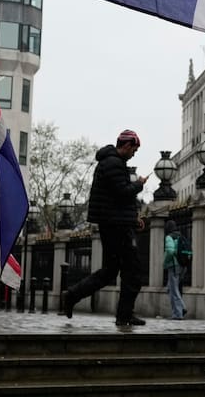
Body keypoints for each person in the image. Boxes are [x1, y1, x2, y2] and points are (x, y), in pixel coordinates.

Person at [62, 129, 149, 326]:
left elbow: (115, 201)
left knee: (111, 271)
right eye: (133, 150)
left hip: (114, 224)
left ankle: (72, 296)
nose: (134, 154)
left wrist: (133, 219)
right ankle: (124, 315)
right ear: (126, 146)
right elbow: (122, 192)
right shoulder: (114, 164)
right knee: (133, 272)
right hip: (116, 228)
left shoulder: (111, 163)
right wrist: (139, 185)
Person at [163, 219, 187, 320]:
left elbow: (170, 251)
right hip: (182, 265)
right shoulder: (180, 236)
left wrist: (165, 263)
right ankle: (176, 311)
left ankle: (179, 312)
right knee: (170, 288)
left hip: (173, 265)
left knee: (174, 290)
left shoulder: (169, 237)